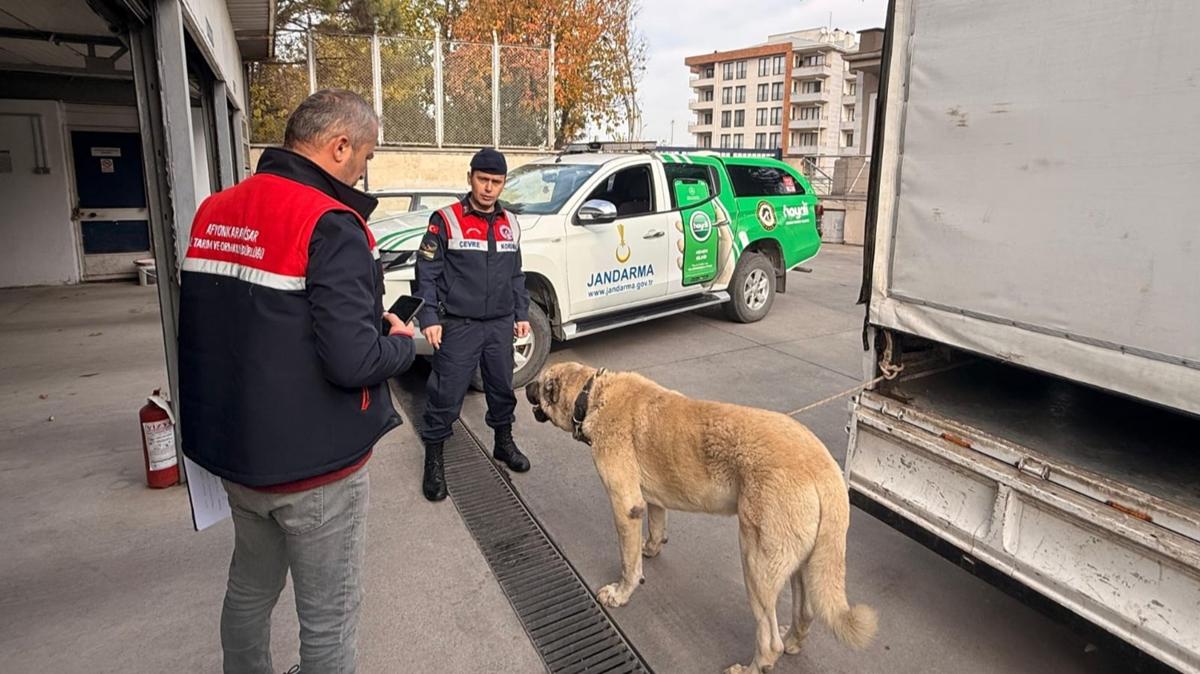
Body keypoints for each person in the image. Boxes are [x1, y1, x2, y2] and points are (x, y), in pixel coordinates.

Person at [178, 88, 415, 674]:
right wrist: (405, 345)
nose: (365, 170)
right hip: (315, 470)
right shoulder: (331, 223)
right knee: (328, 619)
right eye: (366, 156)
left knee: (250, 590)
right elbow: (352, 361)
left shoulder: (214, 209)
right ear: (339, 146)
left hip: (236, 457)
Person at [414, 147, 532, 501]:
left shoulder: (510, 222)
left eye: (496, 182)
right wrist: (430, 318)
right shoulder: (445, 220)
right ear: (470, 178)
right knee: (445, 395)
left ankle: (503, 443)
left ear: (503, 184)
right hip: (459, 324)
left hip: (498, 324)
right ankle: (434, 460)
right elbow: (427, 274)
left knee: (501, 389)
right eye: (483, 180)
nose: (488, 188)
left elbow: (516, 274)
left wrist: (521, 313)